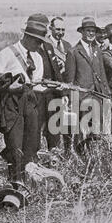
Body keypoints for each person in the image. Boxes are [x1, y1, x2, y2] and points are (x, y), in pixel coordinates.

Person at [0, 14, 48, 183]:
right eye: (37, 41)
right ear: (27, 37)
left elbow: (37, 85)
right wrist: (7, 88)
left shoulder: (38, 58)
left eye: (41, 42)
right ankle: (15, 185)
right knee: (14, 146)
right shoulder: (7, 54)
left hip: (30, 104)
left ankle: (28, 182)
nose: (39, 45)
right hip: (11, 105)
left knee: (32, 144)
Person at [64, 16, 111, 153]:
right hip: (82, 97)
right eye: (88, 30)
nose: (91, 33)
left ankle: (94, 157)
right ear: (82, 32)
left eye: (93, 31)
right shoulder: (73, 52)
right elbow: (70, 81)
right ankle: (80, 157)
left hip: (98, 96)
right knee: (82, 132)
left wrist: (107, 93)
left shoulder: (97, 50)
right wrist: (71, 99)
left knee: (97, 132)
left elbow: (102, 74)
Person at [35, 15, 64, 152]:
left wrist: (62, 91)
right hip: (37, 95)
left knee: (54, 128)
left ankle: (54, 155)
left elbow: (55, 71)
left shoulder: (48, 46)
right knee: (36, 129)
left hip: (52, 95)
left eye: (44, 27)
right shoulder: (30, 47)